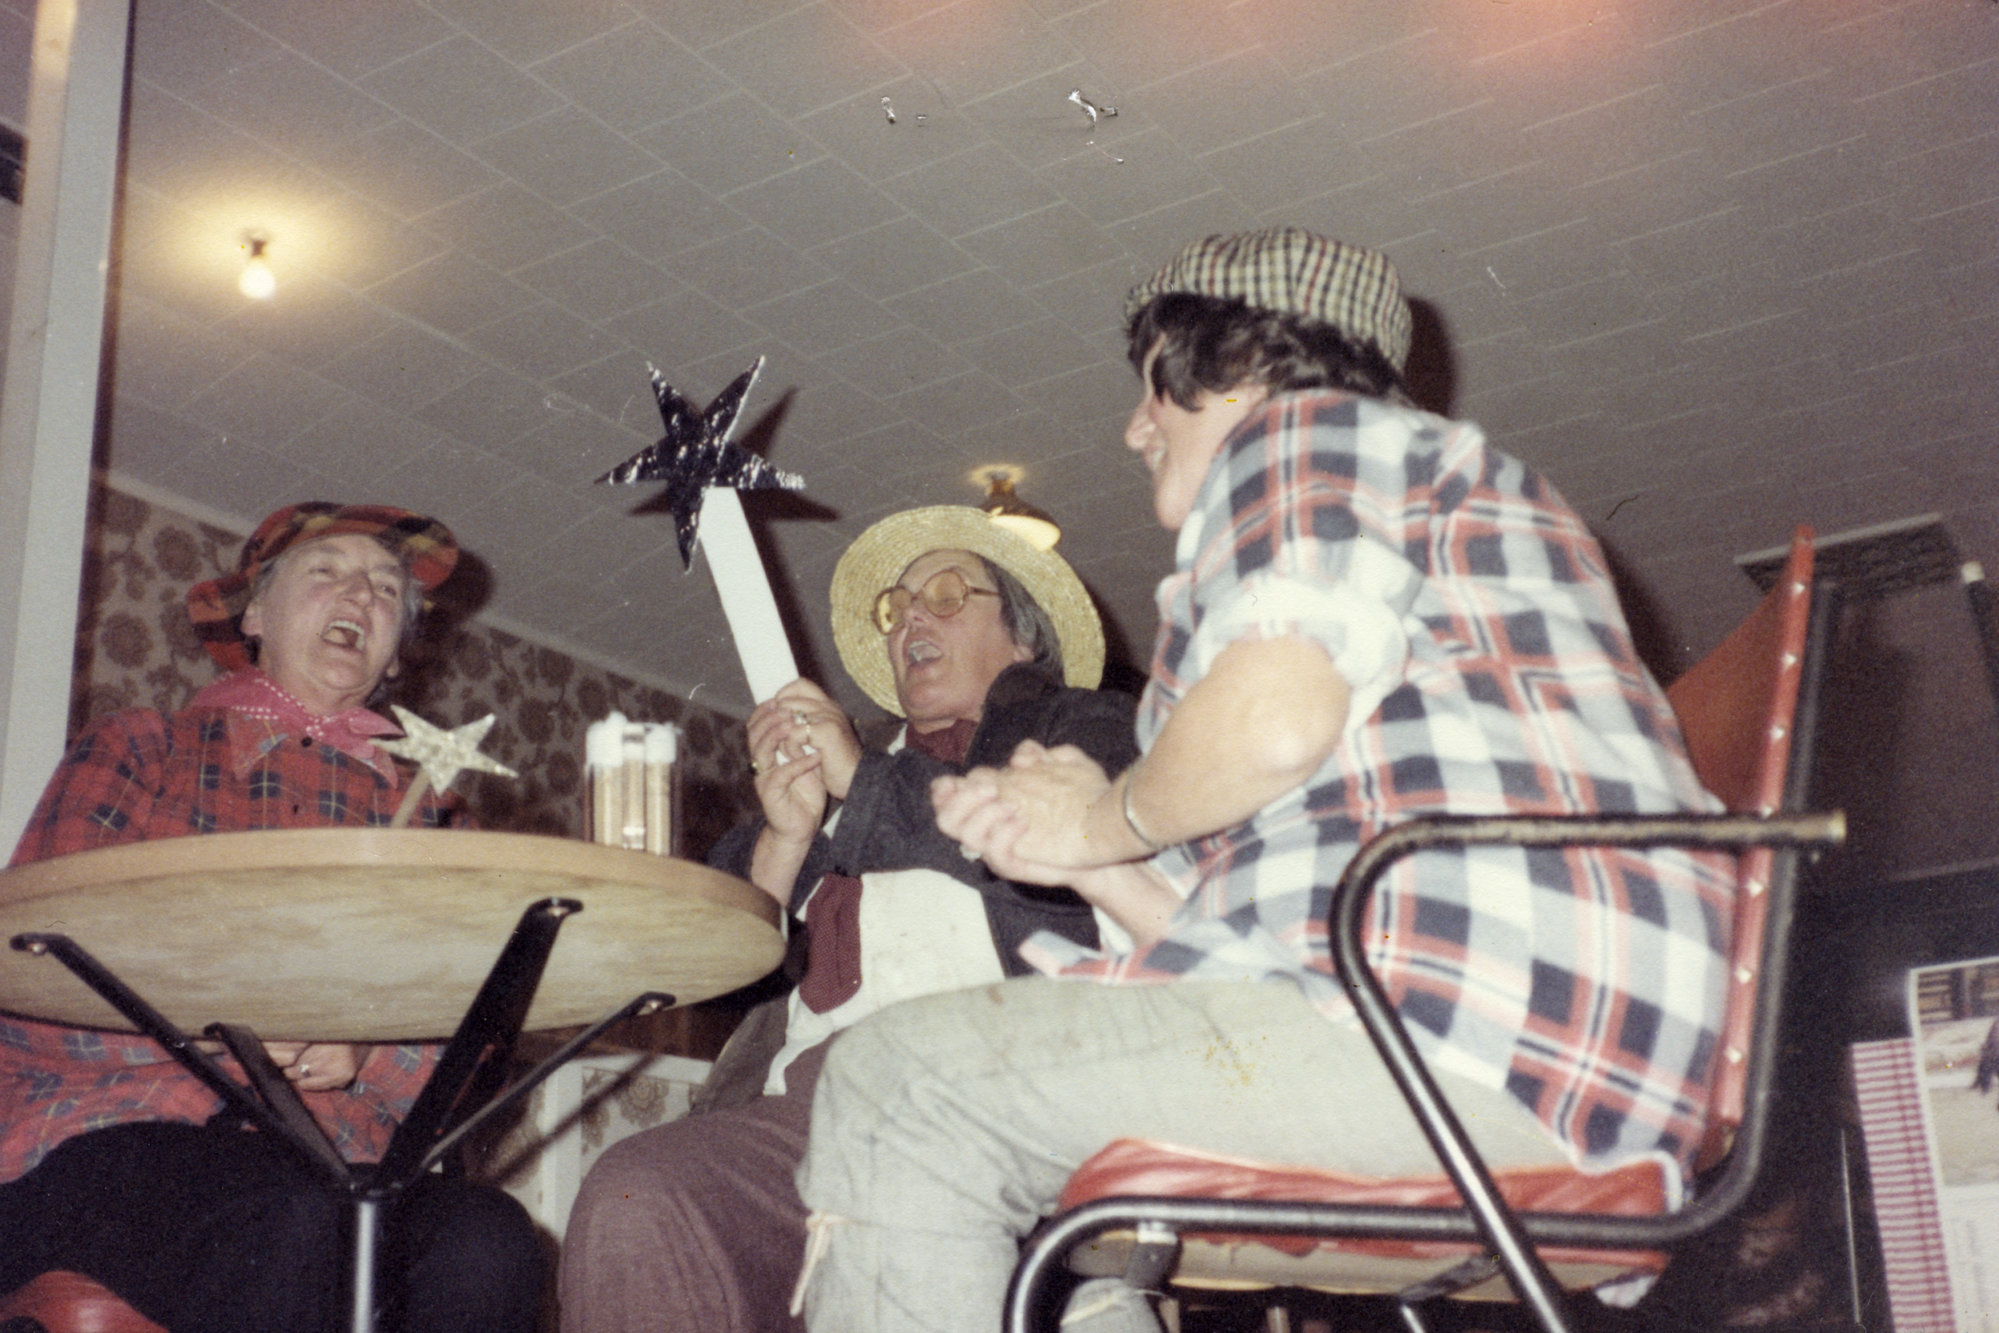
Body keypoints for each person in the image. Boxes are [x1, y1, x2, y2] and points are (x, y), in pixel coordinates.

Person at [792, 228, 1738, 1332]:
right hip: (1542, 1063)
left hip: (1469, 1040)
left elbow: (1278, 721)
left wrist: (1100, 818)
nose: (1133, 426)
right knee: (1089, 1245)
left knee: (901, 1087)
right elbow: (1240, 931)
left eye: (1155, 389)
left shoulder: (1311, 434)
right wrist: (1077, 859)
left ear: (1239, 370)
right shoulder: (1389, 508)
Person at [557, 507, 1138, 1333]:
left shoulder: (1079, 725)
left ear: (1024, 639)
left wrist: (862, 785)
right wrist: (786, 840)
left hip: (992, 1104)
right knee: (636, 1191)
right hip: (801, 1120)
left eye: (944, 593)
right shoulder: (842, 762)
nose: (910, 619)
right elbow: (695, 970)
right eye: (895, 606)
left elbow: (1070, 848)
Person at [0, 502, 541, 1333]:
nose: (360, 596)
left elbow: (476, 1050)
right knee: (294, 1220)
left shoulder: (435, 821)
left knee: (493, 1241)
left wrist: (367, 1056)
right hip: (112, 1142)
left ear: (400, 643)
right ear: (253, 613)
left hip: (348, 1161)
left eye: (387, 588)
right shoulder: (141, 750)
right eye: (325, 570)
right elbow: (23, 970)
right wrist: (205, 1031)